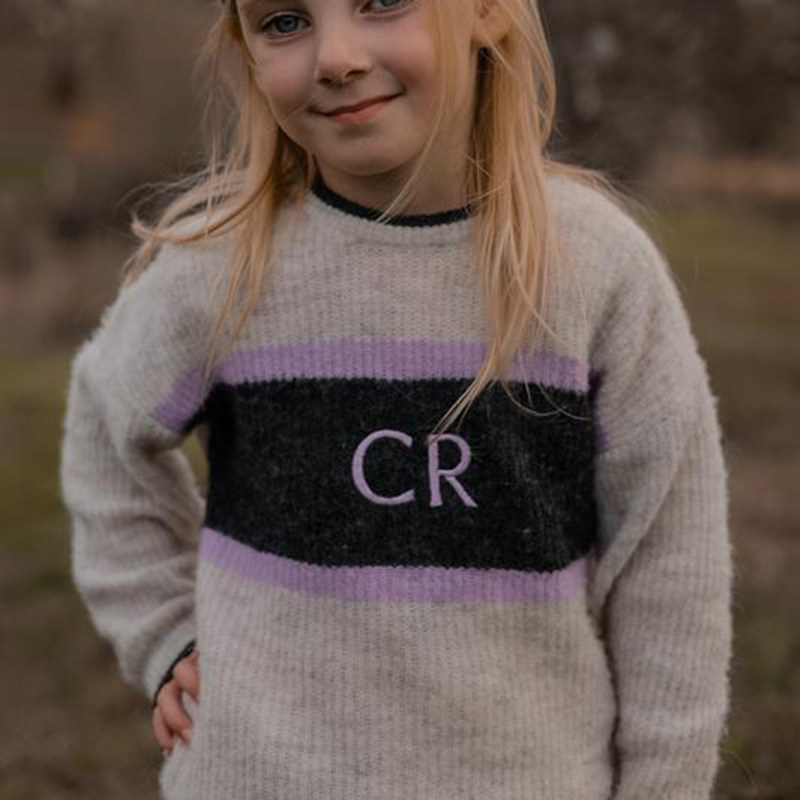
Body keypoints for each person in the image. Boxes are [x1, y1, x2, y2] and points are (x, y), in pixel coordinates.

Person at [58, 0, 734, 798]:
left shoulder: (597, 270)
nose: (334, 57)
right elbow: (104, 427)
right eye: (284, 22)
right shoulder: (222, 269)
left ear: (487, 11)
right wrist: (165, 633)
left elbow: (668, 568)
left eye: (381, 1)